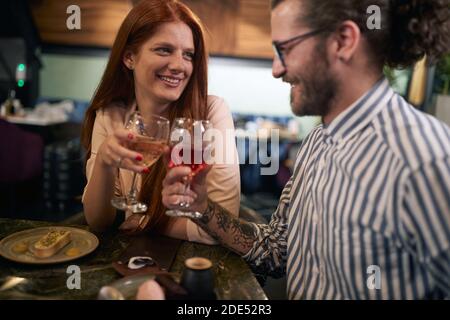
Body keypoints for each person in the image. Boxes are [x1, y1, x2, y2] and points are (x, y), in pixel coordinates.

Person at [162, 0, 450, 299]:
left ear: (343, 41)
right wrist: (201, 208)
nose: (276, 69)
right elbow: (274, 250)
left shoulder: (428, 159)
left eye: (284, 49)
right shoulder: (317, 142)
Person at [81, 0, 240, 244]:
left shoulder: (211, 112)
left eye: (188, 55)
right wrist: (104, 161)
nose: (179, 66)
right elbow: (98, 221)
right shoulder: (110, 115)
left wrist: (143, 221)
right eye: (164, 50)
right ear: (129, 57)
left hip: (194, 271)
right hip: (131, 270)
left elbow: (220, 227)